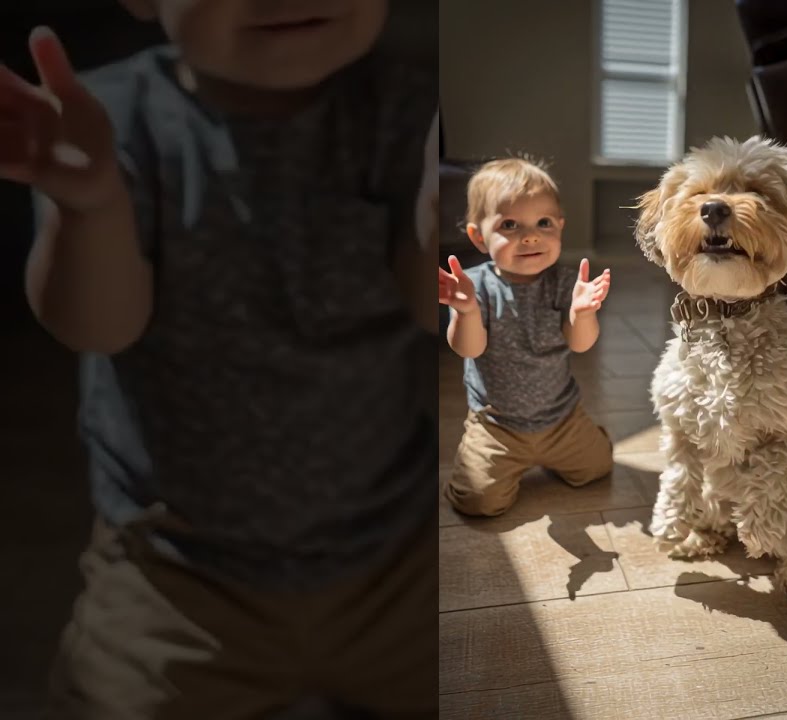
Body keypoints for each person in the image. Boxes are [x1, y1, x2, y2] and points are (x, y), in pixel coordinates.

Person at [0, 0, 438, 715]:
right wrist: (89, 206)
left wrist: (436, 223)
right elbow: (98, 326)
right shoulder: (103, 120)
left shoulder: (408, 113)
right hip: (174, 576)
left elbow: (434, 309)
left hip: (396, 559)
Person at [439, 157, 614, 517]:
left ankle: (590, 439)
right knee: (477, 501)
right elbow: (467, 348)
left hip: (562, 420)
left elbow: (580, 343)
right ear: (478, 237)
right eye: (510, 224)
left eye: (543, 223)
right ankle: (480, 464)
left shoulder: (565, 284)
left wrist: (583, 314)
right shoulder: (475, 287)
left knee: (598, 469)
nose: (531, 235)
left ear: (560, 228)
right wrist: (466, 311)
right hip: (498, 426)